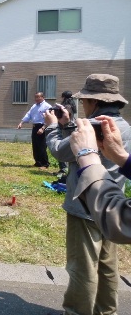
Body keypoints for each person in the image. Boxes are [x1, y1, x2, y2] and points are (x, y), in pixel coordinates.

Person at [45, 74, 131, 315]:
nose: (82, 105)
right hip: (114, 208)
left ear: (94, 102)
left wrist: (53, 126)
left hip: (84, 206)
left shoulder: (91, 128)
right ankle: (106, 311)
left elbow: (60, 152)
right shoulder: (125, 128)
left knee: (82, 268)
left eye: (85, 101)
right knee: (107, 266)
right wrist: (67, 124)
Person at [68, 116, 131, 244]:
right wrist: (121, 156)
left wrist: (87, 156)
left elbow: (122, 221)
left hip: (92, 210)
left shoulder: (86, 130)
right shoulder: (125, 124)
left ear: (92, 102)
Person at [17, 92, 51, 169]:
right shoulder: (34, 106)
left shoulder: (47, 106)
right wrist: (21, 122)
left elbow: (49, 119)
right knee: (35, 145)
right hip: (35, 127)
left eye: (38, 97)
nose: (36, 99)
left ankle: (45, 164)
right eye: (35, 97)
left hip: (42, 126)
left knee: (42, 146)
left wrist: (43, 128)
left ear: (43, 97)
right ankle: (38, 162)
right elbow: (28, 114)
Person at [57, 90, 78, 176]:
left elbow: (63, 117)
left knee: (61, 146)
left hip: (65, 127)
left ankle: (63, 169)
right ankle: (68, 168)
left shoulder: (65, 107)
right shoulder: (73, 105)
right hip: (72, 126)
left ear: (64, 97)